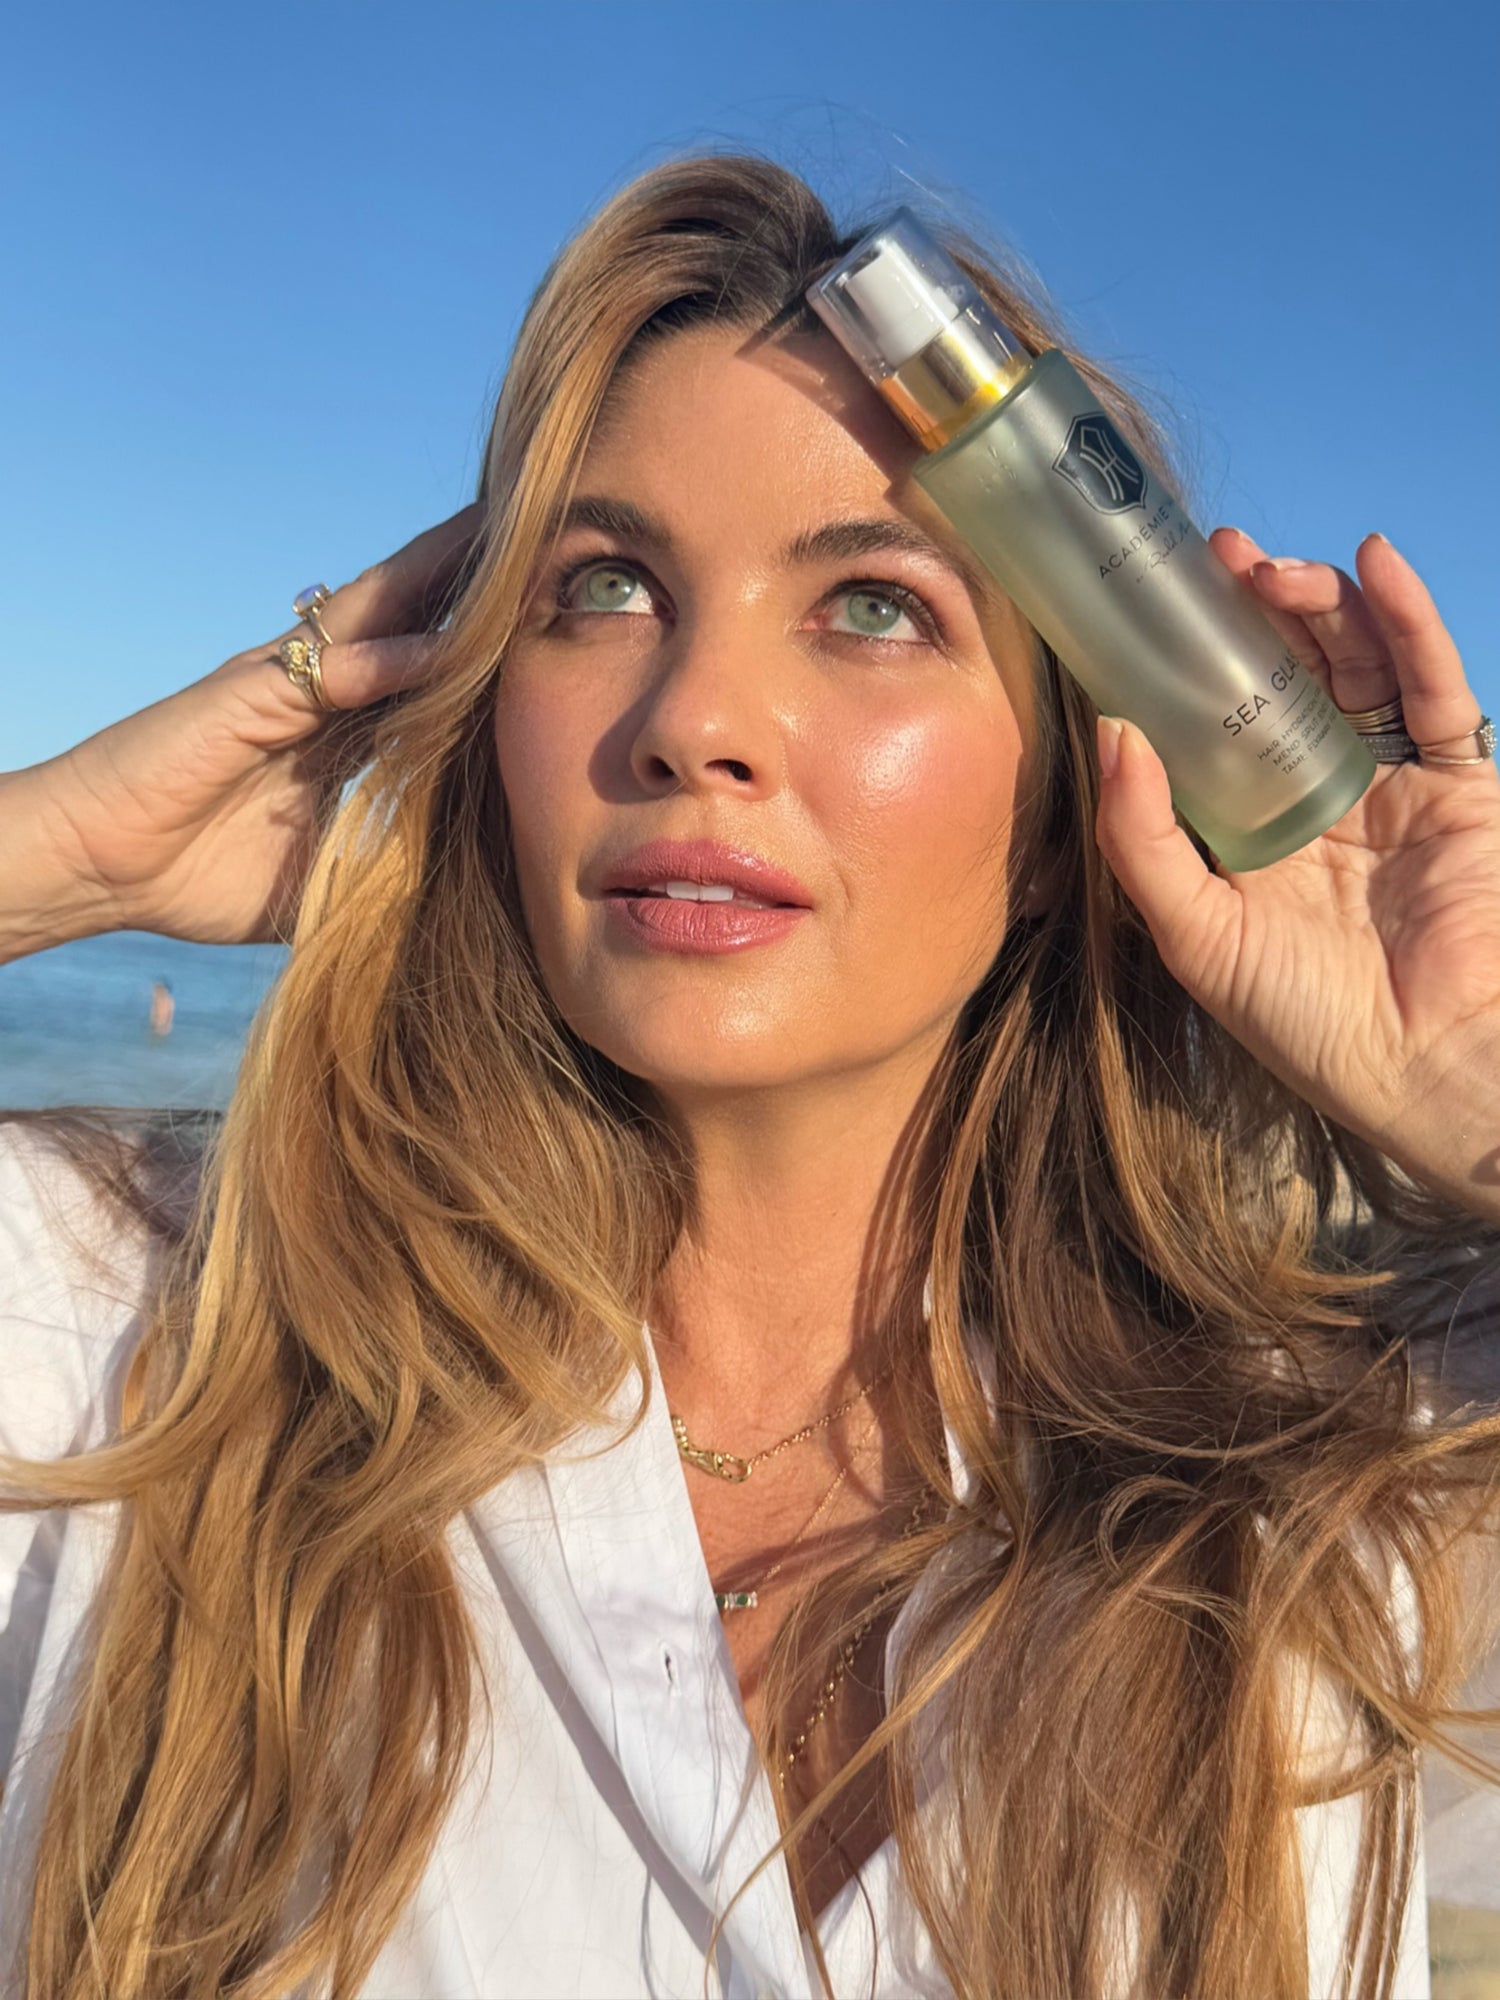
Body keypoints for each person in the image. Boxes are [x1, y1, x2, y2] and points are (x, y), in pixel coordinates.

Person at [2, 153, 1499, 2000]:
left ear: (1074, 793)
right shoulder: (119, 1339)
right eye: (607, 587)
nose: (695, 721)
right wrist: (63, 858)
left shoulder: (1344, 1484)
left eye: (876, 606)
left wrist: (1478, 1086)